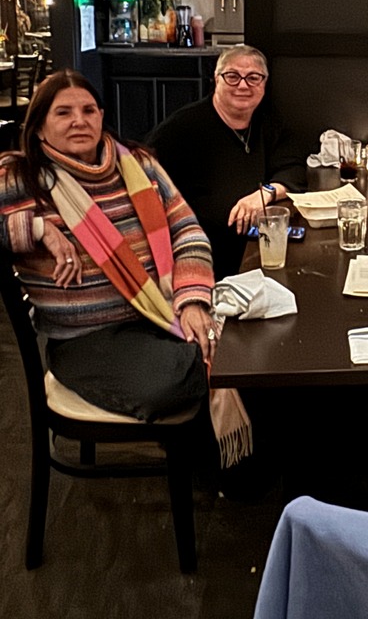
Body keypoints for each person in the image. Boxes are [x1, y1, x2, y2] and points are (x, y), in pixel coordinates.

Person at [0, 69, 215, 423]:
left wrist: (192, 300)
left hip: (161, 313)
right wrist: (37, 228)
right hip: (85, 339)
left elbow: (187, 230)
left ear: (101, 116)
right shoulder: (21, 177)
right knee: (187, 375)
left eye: (88, 110)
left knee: (236, 355)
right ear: (38, 127)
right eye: (63, 112)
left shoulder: (139, 164)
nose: (79, 121)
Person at [148, 45, 306, 280]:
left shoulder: (267, 122)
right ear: (216, 79)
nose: (243, 85)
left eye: (253, 77)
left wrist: (264, 194)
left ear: (264, 83)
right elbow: (144, 187)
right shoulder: (180, 130)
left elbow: (294, 169)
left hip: (255, 249)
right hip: (202, 256)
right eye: (232, 76)